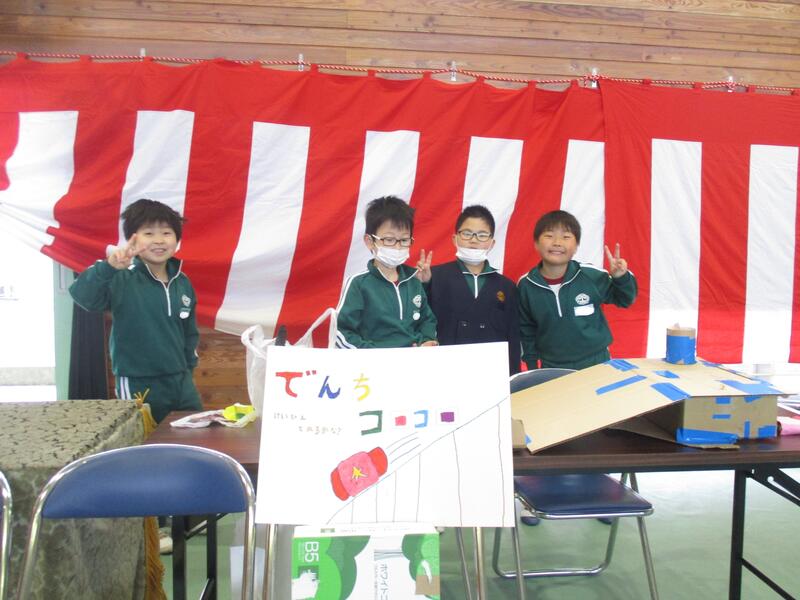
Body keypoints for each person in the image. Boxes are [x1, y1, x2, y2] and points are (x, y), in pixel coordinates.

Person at [69, 198, 202, 424]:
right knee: (143, 441)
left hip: (181, 382)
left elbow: (190, 333)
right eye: (149, 233)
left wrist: (187, 371)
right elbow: (84, 297)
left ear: (177, 239)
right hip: (138, 382)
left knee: (196, 434)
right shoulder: (121, 275)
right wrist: (109, 267)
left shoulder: (183, 281)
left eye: (166, 233)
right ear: (133, 238)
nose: (159, 240)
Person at [517, 209, 636, 370]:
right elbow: (526, 330)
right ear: (536, 244)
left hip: (597, 361)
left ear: (576, 246)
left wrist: (621, 277)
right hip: (552, 366)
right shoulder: (526, 285)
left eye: (566, 237)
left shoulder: (591, 275)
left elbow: (625, 300)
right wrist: (532, 367)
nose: (557, 242)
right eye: (549, 235)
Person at [416, 204, 521, 374]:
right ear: (455, 238)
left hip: (491, 371)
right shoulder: (434, 276)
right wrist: (423, 284)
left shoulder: (506, 286)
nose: (474, 240)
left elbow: (513, 338)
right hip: (446, 370)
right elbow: (419, 319)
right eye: (467, 233)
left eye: (482, 235)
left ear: (492, 243)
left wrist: (512, 379)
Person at [336, 195, 438, 348]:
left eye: (404, 240)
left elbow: (427, 320)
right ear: (370, 241)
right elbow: (341, 332)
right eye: (389, 240)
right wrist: (376, 354)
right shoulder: (358, 284)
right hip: (374, 360)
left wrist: (427, 341)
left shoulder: (414, 280)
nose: (397, 247)